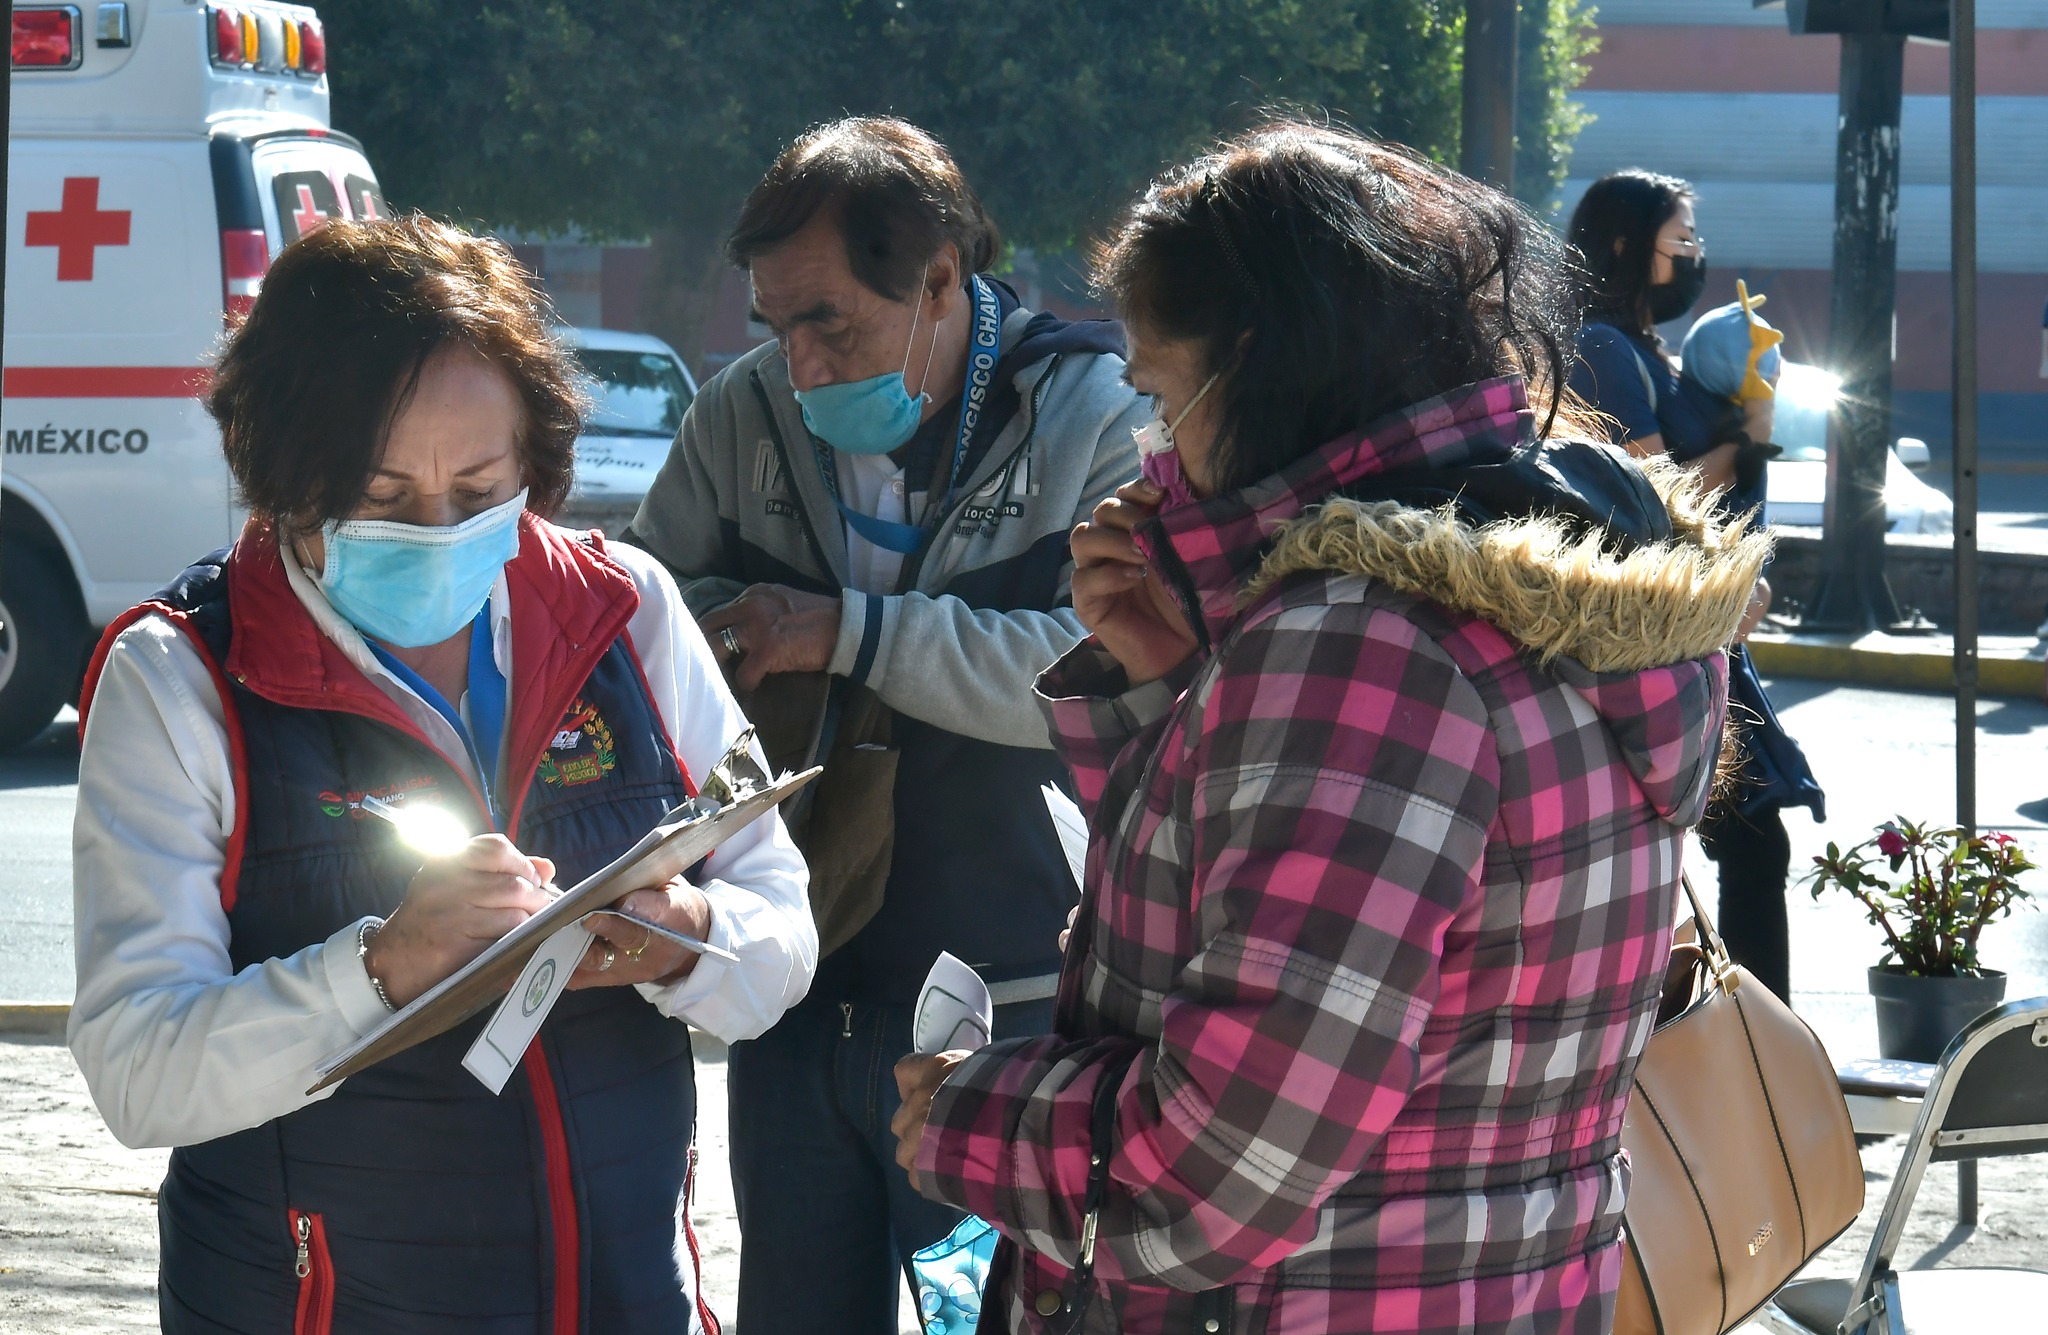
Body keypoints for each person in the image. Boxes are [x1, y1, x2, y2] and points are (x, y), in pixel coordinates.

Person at [890, 122, 1768, 1333]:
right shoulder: (1523, 590)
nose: (1155, 449)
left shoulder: (1362, 648)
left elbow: (1213, 1178)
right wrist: (1174, 677)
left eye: (1155, 392)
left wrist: (968, 1114)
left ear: (1249, 362)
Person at [67, 216, 815, 1333]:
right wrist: (378, 967)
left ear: (536, 464)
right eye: (379, 497)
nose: (437, 530)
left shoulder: (629, 612)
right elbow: (137, 1073)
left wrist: (690, 936)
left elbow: (782, 927)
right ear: (283, 481)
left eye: (478, 491)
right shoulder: (179, 677)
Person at [626, 117, 1146, 1333]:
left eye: (832, 325)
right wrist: (726, 626)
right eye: (775, 324)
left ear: (938, 279)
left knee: (1010, 1314)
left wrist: (845, 635)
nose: (798, 366)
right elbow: (641, 624)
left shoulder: (1095, 416)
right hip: (799, 990)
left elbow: (1101, 675)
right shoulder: (740, 414)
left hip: (1014, 998)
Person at [1567, 170, 1824, 1000]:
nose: (1694, 257)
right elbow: (1652, 500)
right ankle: (1760, 1056)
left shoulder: (1644, 350)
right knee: (1744, 842)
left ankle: (1752, 1044)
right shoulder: (1603, 348)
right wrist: (1747, 437)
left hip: (1696, 629)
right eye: (1680, 242)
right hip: (1656, 636)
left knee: (1744, 842)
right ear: (1623, 246)